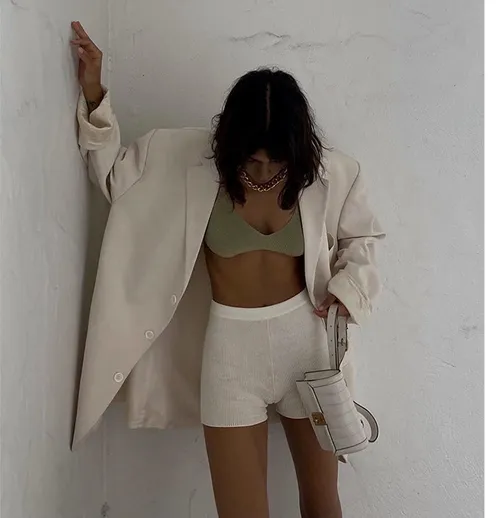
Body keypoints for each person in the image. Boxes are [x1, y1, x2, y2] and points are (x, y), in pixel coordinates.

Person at [70, 20, 385, 518]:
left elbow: (362, 239)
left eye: (276, 162)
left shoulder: (333, 173)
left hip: (309, 348)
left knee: (324, 505)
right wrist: (94, 93)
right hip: (231, 356)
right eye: (252, 161)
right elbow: (113, 178)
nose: (264, 172)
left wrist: (348, 289)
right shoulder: (180, 158)